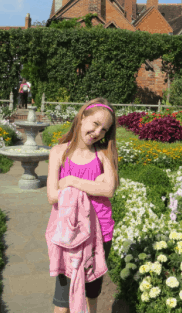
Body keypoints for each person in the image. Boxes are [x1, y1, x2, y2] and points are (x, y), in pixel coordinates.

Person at [47, 97, 120, 313]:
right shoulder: (59, 152)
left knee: (91, 297)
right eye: (95, 124)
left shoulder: (103, 154)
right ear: (82, 118)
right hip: (68, 234)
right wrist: (93, 185)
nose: (98, 132)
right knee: (62, 304)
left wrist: (70, 181)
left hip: (99, 234)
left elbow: (109, 189)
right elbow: (52, 195)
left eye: (104, 129)